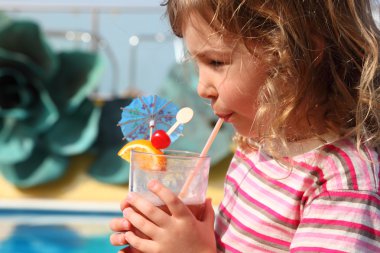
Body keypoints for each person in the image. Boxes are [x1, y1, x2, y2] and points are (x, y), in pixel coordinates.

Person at [109, 0, 380, 252]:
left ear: (299, 54)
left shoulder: (341, 185)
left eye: (216, 61)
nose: (201, 88)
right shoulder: (255, 146)